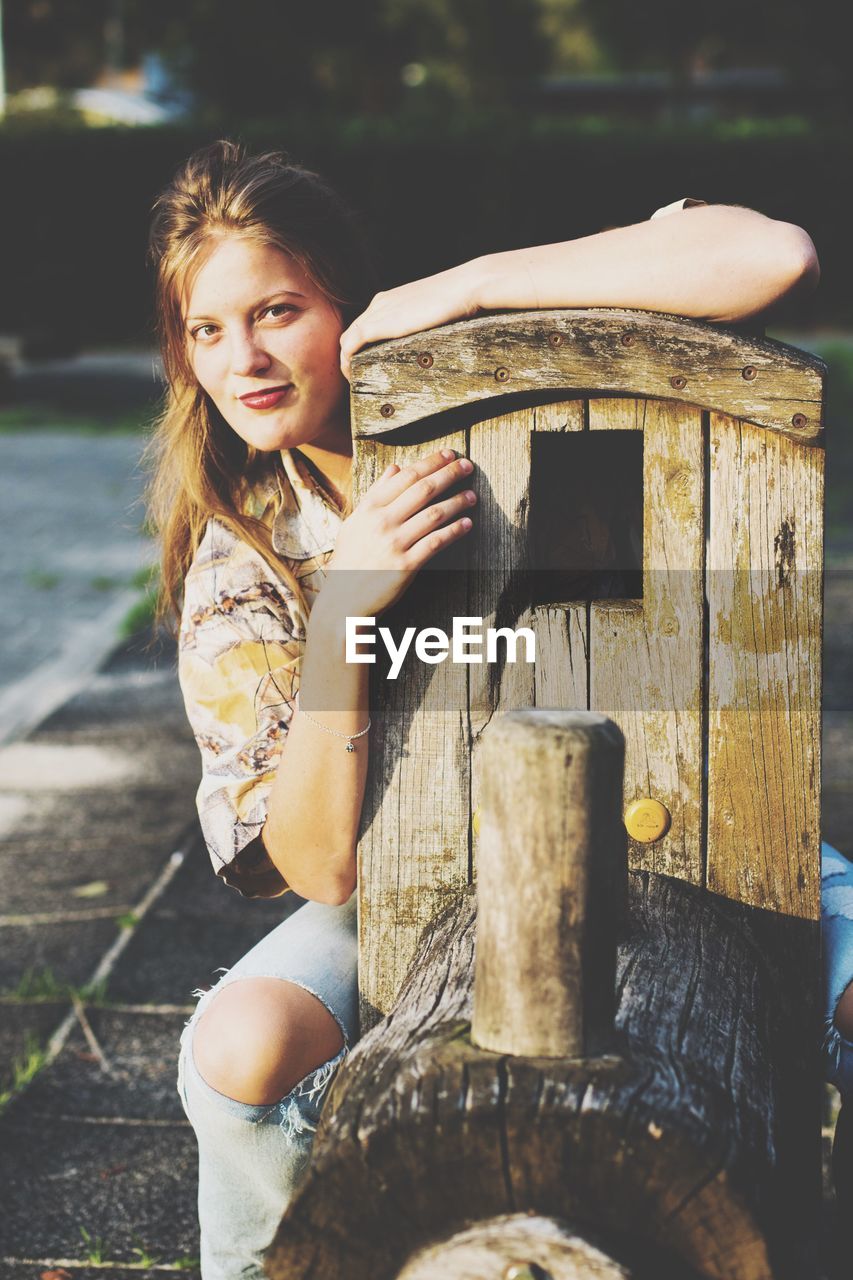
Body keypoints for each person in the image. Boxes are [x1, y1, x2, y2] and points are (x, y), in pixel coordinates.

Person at [143, 139, 822, 1280]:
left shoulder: (498, 378)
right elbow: (320, 865)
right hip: (422, 862)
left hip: (688, 803)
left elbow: (771, 256)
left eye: (277, 310)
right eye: (207, 331)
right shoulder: (244, 560)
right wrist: (346, 611)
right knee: (237, 1051)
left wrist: (465, 287)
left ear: (350, 308)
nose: (244, 357)